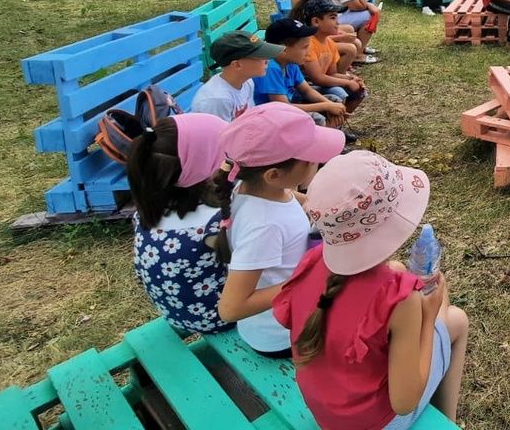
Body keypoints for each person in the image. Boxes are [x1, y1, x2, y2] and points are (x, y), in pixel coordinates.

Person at [273, 151, 470, 429]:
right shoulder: (401, 298)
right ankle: (448, 422)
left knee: (402, 271)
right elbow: (403, 403)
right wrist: (428, 318)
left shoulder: (312, 261)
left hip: (325, 412)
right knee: (458, 320)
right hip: (376, 423)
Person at [216, 103, 346, 357]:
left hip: (291, 311)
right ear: (274, 174)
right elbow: (231, 308)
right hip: (282, 334)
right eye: (310, 158)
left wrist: (318, 205)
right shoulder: (264, 225)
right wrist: (308, 281)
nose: (317, 162)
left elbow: (290, 197)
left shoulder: (255, 188)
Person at [128, 112, 233, 334]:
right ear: (205, 165)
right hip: (216, 317)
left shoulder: (149, 209)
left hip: (175, 313)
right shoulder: (214, 223)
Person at [254, 18, 350, 133]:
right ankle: (324, 140)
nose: (308, 51)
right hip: (270, 117)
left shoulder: (290, 62)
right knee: (316, 118)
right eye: (305, 47)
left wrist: (329, 104)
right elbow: (283, 107)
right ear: (284, 50)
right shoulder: (271, 68)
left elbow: (306, 91)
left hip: (289, 104)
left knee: (334, 101)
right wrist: (325, 106)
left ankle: (334, 132)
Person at [192, 31, 283, 121]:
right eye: (260, 57)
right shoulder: (217, 100)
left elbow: (250, 119)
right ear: (237, 65)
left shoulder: (247, 82)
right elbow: (220, 134)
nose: (267, 60)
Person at [299, 0, 367, 115]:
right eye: (333, 18)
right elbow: (317, 78)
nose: (338, 23)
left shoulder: (329, 43)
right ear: (316, 21)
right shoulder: (309, 44)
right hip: (307, 87)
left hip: (323, 83)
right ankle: (329, 128)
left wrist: (350, 78)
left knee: (360, 90)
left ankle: (338, 126)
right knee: (339, 93)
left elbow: (332, 73)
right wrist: (347, 83)